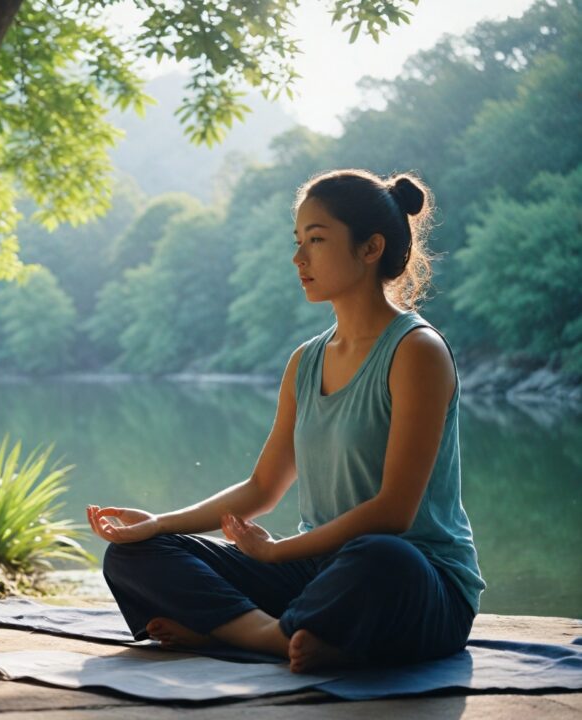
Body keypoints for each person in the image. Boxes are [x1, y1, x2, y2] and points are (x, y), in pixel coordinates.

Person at [86, 168, 485, 674]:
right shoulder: (306, 361)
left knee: (383, 557)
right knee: (135, 556)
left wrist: (277, 553)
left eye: (315, 241)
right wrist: (159, 523)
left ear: (370, 248)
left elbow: (394, 513)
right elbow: (261, 487)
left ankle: (240, 631)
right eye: (297, 242)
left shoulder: (417, 352)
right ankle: (279, 637)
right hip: (318, 576)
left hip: (417, 583)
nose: (298, 259)